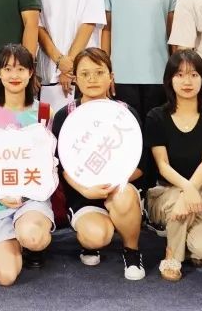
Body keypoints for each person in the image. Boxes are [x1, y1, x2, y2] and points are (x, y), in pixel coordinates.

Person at [50, 48, 145, 281]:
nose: (92, 79)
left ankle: (132, 251)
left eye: (99, 72)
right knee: (96, 236)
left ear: (111, 77)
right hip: (84, 194)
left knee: (123, 197)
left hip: (119, 187)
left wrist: (114, 182)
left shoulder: (126, 113)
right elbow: (61, 166)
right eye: (85, 74)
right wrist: (85, 189)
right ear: (75, 78)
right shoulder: (64, 116)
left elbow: (142, 165)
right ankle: (90, 242)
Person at [0, 44, 55, 287]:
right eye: (7, 69)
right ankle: (12, 243)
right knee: (5, 277)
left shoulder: (44, 112)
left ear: (30, 73)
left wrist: (25, 193)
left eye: (21, 69)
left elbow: (48, 163)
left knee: (33, 237)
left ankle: (30, 242)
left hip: (32, 199)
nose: (14, 75)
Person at [145, 49, 202, 282]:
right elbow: (162, 165)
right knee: (176, 203)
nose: (187, 81)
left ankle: (182, 235)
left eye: (193, 75)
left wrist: (191, 191)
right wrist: (186, 191)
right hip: (166, 193)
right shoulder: (156, 117)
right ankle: (173, 254)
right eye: (179, 75)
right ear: (170, 80)